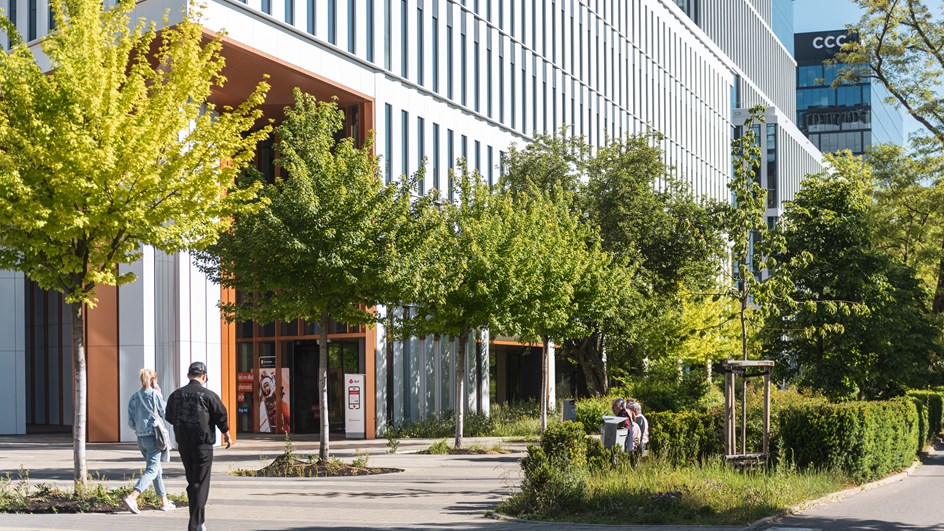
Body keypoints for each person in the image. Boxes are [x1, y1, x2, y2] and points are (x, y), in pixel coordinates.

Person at [166, 361, 232, 531]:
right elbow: (221, 415)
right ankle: (195, 525)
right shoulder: (208, 395)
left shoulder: (175, 395)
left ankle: (199, 522)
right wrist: (226, 433)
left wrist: (183, 427)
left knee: (192, 482)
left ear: (189, 375)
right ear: (204, 376)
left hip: (183, 444)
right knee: (200, 484)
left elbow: (169, 416)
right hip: (202, 444)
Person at [124, 368, 175, 514]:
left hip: (141, 438)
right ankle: (133, 497)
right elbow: (165, 412)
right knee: (152, 470)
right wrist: (160, 394)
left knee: (155, 469)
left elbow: (131, 422)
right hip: (154, 437)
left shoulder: (134, 397)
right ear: (153, 380)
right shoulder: (155, 394)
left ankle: (164, 502)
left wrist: (141, 428)